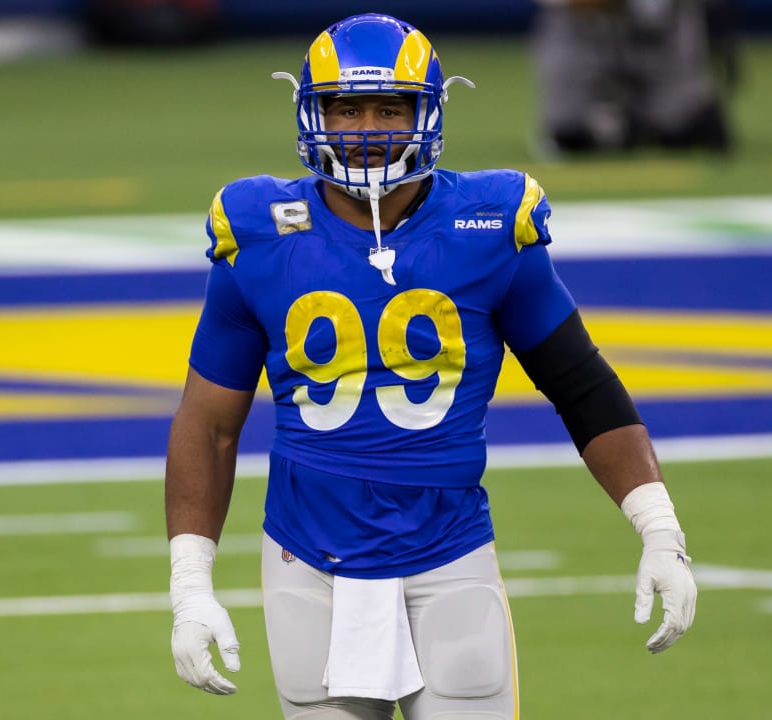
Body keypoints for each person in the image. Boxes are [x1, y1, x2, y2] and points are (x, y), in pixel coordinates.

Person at [165, 13, 698, 719]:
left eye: (390, 109)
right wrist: (189, 584)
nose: (367, 129)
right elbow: (208, 425)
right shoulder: (260, 230)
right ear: (313, 115)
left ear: (429, 114)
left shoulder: (489, 226)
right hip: (306, 558)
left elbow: (582, 386)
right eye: (346, 109)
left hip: (450, 553)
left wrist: (659, 528)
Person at [532, 0, 734, 156]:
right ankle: (614, 124)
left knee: (678, 128)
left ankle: (637, 122)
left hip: (663, 30)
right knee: (569, 132)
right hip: (586, 29)